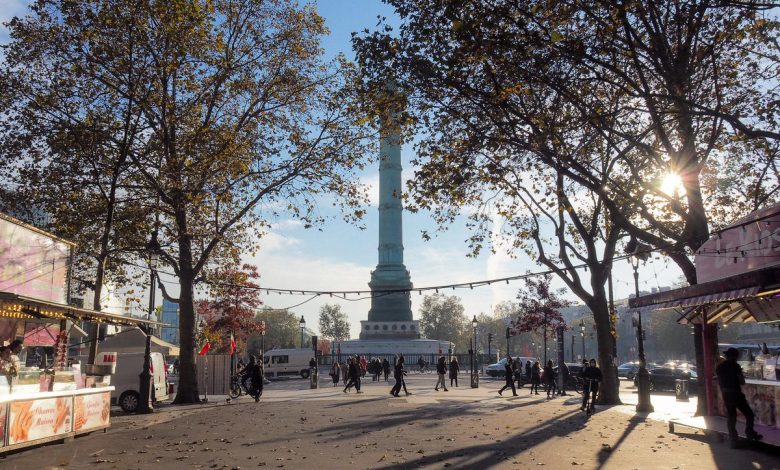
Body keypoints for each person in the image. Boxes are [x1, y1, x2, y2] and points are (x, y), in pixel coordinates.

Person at [716, 347, 763, 447]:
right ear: (735, 356)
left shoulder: (720, 367)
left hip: (726, 394)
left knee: (731, 417)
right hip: (736, 394)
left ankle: (733, 440)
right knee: (749, 414)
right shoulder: (735, 366)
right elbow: (742, 381)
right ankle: (749, 432)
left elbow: (719, 380)